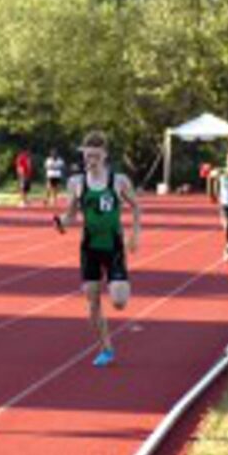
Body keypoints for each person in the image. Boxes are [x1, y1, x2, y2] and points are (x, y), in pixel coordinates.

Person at [54, 131, 140, 367]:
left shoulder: (118, 181)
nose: (90, 160)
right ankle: (107, 349)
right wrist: (62, 223)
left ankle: (119, 283)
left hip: (113, 247)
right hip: (89, 248)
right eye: (87, 155)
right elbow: (71, 216)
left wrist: (135, 234)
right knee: (92, 302)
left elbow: (135, 207)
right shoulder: (76, 183)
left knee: (119, 302)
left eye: (95, 156)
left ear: (104, 156)